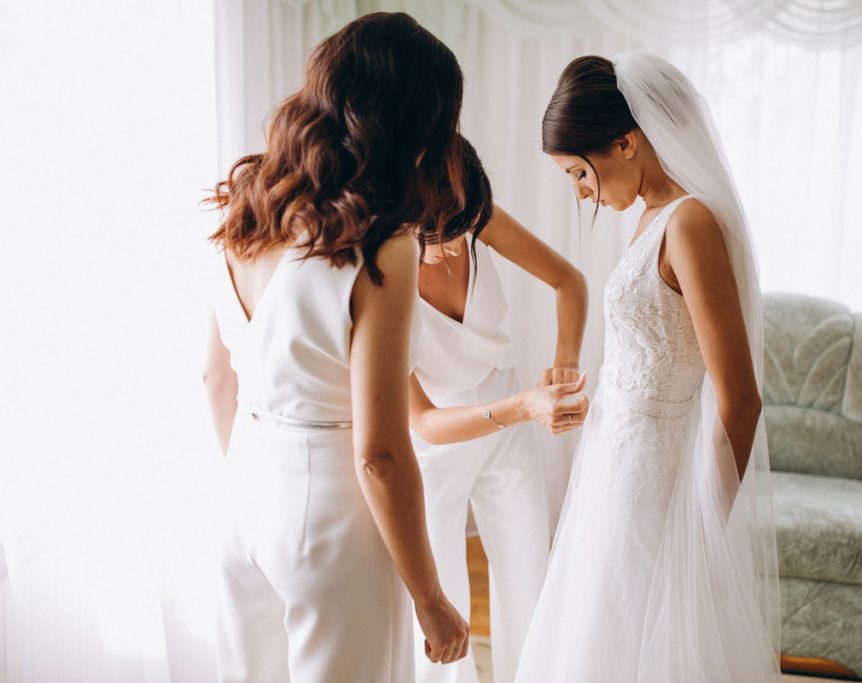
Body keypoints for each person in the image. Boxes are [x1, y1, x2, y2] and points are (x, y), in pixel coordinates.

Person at [202, 13, 470, 682]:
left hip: (243, 489)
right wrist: (431, 597)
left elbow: (213, 377)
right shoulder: (385, 242)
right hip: (327, 514)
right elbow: (380, 452)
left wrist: (256, 477)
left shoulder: (246, 204)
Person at [515, 52, 783, 682]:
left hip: (653, 480)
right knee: (600, 630)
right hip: (616, 461)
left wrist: (705, 527)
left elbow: (739, 400)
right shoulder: (651, 219)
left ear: (627, 143)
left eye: (580, 172)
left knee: (637, 635)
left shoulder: (690, 223)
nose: (582, 191)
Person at [408, 135, 589, 683]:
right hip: (437, 437)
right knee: (442, 594)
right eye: (432, 240)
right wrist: (522, 407)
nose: (449, 249)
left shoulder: (473, 216)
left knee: (527, 569)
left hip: (510, 417)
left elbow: (569, 281)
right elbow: (422, 423)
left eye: (460, 235)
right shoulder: (373, 261)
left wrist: (564, 360)